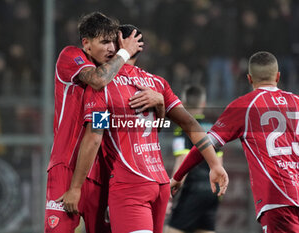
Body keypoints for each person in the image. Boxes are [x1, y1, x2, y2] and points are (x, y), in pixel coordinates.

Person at [60, 24, 228, 233]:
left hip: (130, 185)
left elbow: (95, 137)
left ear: (118, 46)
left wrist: (75, 188)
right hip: (159, 183)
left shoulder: (103, 87)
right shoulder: (157, 83)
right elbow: (190, 124)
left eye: (108, 42)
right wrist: (214, 164)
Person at [171, 51, 299, 233]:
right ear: (278, 76)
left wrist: (177, 176)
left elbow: (205, 144)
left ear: (249, 79)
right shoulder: (297, 102)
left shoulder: (245, 106)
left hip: (278, 198)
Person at [44, 12, 143, 233]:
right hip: (67, 167)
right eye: (104, 42)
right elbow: (97, 80)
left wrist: (158, 99)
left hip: (101, 173)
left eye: (114, 44)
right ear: (86, 44)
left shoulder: (112, 79)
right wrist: (125, 52)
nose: (111, 49)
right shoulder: (71, 56)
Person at [166, 85, 223, 233]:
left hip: (193, 190)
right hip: (212, 192)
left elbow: (182, 161)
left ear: (183, 104)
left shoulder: (182, 130)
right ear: (203, 104)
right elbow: (219, 163)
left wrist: (171, 193)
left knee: (171, 230)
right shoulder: (213, 129)